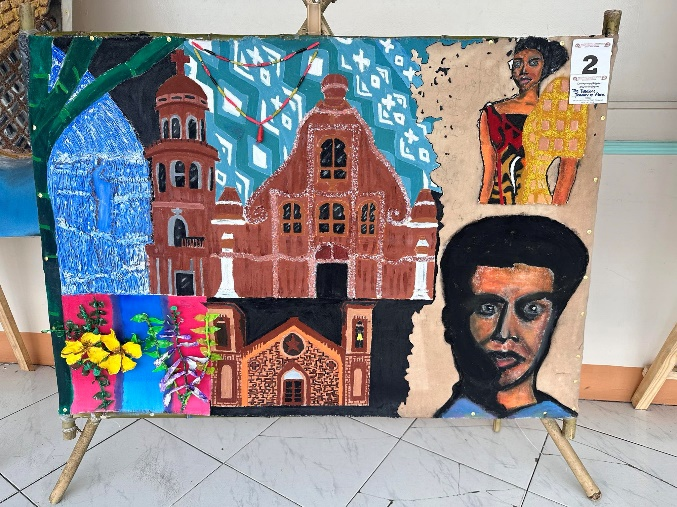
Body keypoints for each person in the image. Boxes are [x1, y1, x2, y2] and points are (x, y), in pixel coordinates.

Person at [435, 215, 588, 418]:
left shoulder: (556, 417)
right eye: (487, 308)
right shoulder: (446, 420)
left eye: (532, 309)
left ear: (553, 320)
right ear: (451, 322)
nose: (505, 333)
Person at [478, 37, 573, 205]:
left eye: (533, 63)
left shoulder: (557, 115)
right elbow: (489, 173)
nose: (523, 70)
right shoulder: (492, 113)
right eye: (517, 64)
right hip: (498, 204)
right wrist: (481, 207)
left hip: (538, 205)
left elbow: (568, 168)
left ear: (546, 66)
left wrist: (555, 210)